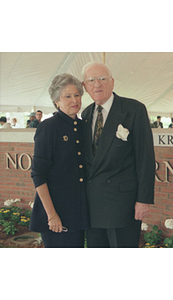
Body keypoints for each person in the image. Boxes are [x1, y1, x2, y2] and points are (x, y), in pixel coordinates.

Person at [81, 61, 155, 248]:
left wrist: (143, 199)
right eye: (91, 80)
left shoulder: (134, 109)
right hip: (93, 204)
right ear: (85, 86)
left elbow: (145, 158)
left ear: (112, 82)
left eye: (102, 79)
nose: (97, 84)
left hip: (123, 205)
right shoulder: (86, 114)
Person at [29, 73, 89, 248]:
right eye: (67, 96)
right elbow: (38, 175)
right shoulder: (48, 127)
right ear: (57, 101)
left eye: (77, 95)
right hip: (55, 212)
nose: (74, 100)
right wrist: (51, 214)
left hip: (78, 210)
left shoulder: (83, 126)